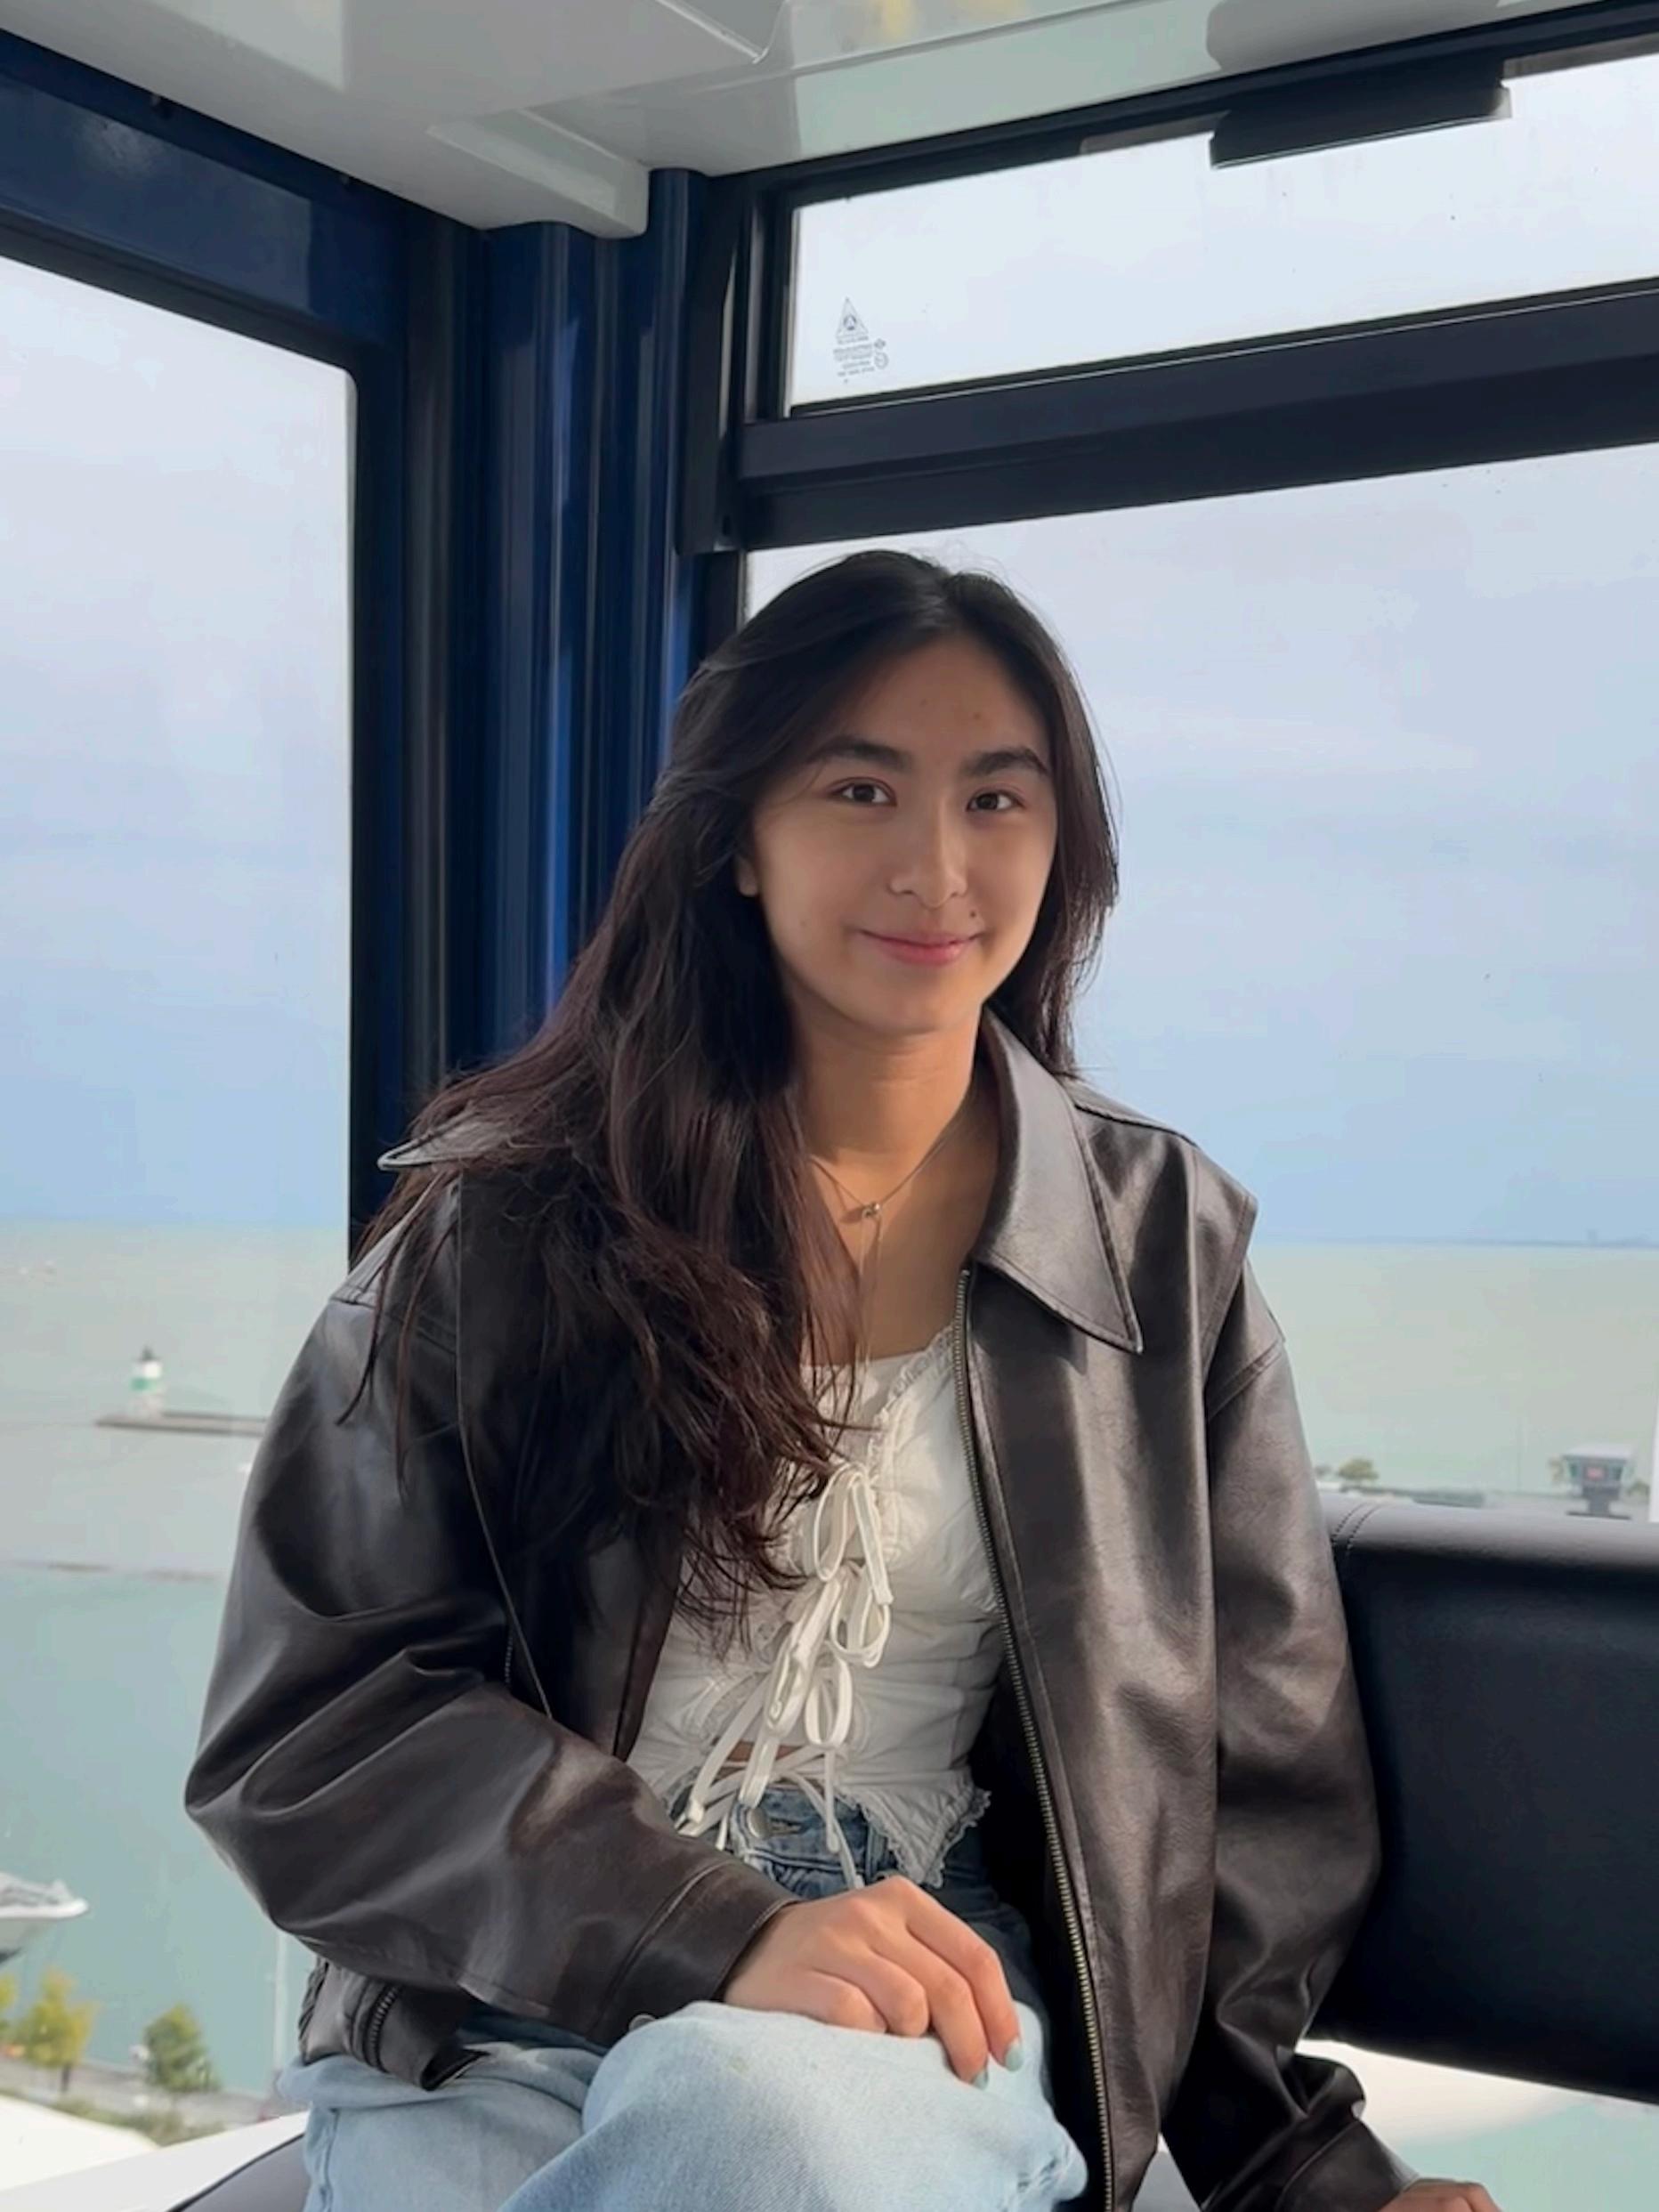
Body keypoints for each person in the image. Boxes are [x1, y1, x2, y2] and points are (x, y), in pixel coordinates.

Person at [186, 551, 1502, 2212]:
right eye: (861, 788)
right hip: (500, 1995)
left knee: (752, 2117)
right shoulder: (507, 1223)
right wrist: (711, 1924)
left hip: (922, 1990)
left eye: (997, 798)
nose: (936, 865)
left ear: (1063, 845)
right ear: (738, 835)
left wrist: (1293, 2164)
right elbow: (314, 1724)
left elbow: (1259, 1762)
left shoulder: (1161, 1241)